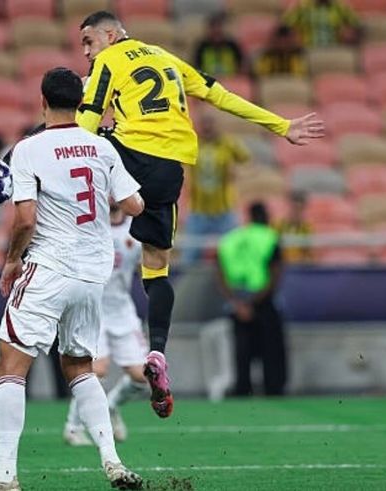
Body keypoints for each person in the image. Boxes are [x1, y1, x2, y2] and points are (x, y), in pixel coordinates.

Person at [76, 10, 324, 418]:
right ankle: (157, 351)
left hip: (129, 153)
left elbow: (85, 125)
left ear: (111, 35)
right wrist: (280, 125)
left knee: (73, 152)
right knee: (156, 266)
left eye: (89, 41)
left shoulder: (108, 61)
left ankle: (22, 188)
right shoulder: (167, 58)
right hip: (170, 169)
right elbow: (220, 96)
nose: (86, 51)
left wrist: (48, 142)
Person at [0, 67, 145, 491]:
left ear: (42, 101)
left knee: (10, 365)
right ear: (81, 103)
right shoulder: (101, 146)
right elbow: (134, 205)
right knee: (79, 367)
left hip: (50, 267)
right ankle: (112, 461)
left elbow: (25, 219)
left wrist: (12, 260)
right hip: (93, 274)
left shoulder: (28, 149)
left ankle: (4, 476)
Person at [63, 202, 148, 446]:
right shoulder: (89, 225)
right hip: (92, 308)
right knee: (96, 370)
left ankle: (110, 406)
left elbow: (147, 266)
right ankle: (73, 427)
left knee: (143, 377)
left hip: (122, 310)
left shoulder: (136, 230)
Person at [216, 202, 287, 396]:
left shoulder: (230, 239)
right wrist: (253, 303)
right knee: (271, 348)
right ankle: (273, 388)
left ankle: (242, 388)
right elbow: (275, 273)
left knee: (241, 349)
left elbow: (220, 273)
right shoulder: (269, 237)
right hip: (262, 299)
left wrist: (236, 303)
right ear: (266, 216)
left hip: (237, 300)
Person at [182, 110, 250, 265]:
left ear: (218, 124)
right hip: (198, 209)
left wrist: (238, 172)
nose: (207, 126)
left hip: (224, 210)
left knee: (235, 252)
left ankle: (237, 278)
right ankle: (186, 280)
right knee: (190, 255)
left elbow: (249, 163)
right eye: (204, 123)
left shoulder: (229, 144)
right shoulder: (191, 143)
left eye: (211, 122)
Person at [283, 0, 361, 48]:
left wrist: (350, 35)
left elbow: (356, 24)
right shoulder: (303, 6)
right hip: (310, 49)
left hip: (334, 49)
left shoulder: (339, 6)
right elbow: (285, 24)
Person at [193, 12, 245, 77]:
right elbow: (197, 67)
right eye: (214, 28)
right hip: (209, 79)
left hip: (231, 79)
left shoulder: (232, 46)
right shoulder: (202, 47)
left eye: (218, 28)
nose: (216, 31)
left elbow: (241, 66)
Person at [276, 190, 312, 263]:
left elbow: (309, 254)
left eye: (299, 209)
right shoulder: (278, 226)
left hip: (299, 267)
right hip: (282, 266)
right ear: (289, 207)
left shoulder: (306, 228)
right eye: (294, 208)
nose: (296, 212)